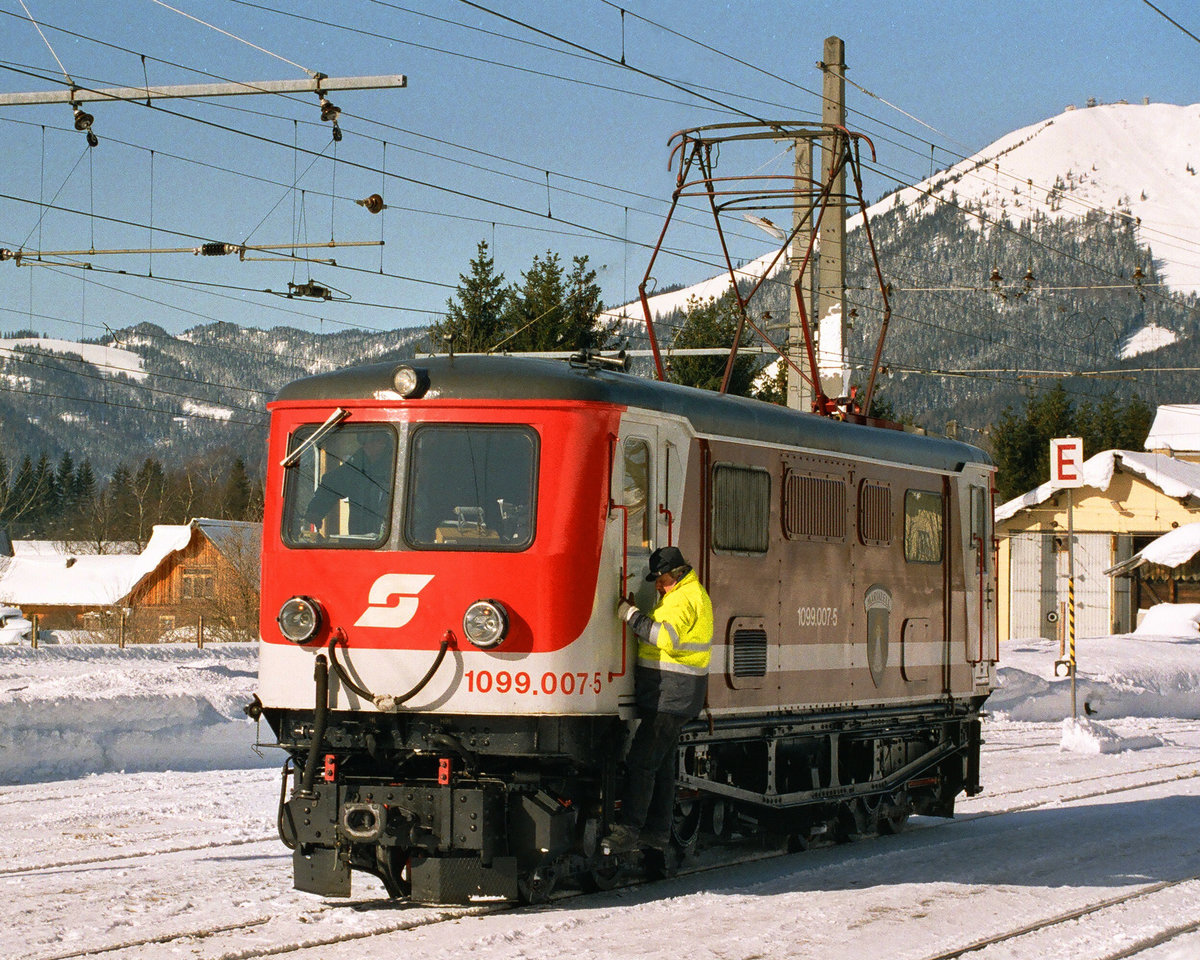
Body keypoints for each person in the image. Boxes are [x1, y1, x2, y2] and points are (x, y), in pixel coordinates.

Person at [602, 545, 713, 856]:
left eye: (661, 580)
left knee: (641, 761)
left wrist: (631, 615)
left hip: (672, 695)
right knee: (662, 766)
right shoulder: (687, 595)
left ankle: (631, 829)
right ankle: (657, 831)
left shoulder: (683, 599)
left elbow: (667, 638)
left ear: (676, 575)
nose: (658, 586)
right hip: (674, 694)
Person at [302, 429, 393, 538]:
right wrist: (316, 510)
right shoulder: (357, 464)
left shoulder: (400, 461)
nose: (368, 444)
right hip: (362, 540)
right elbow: (332, 484)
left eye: (376, 440)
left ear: (385, 441)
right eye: (364, 440)